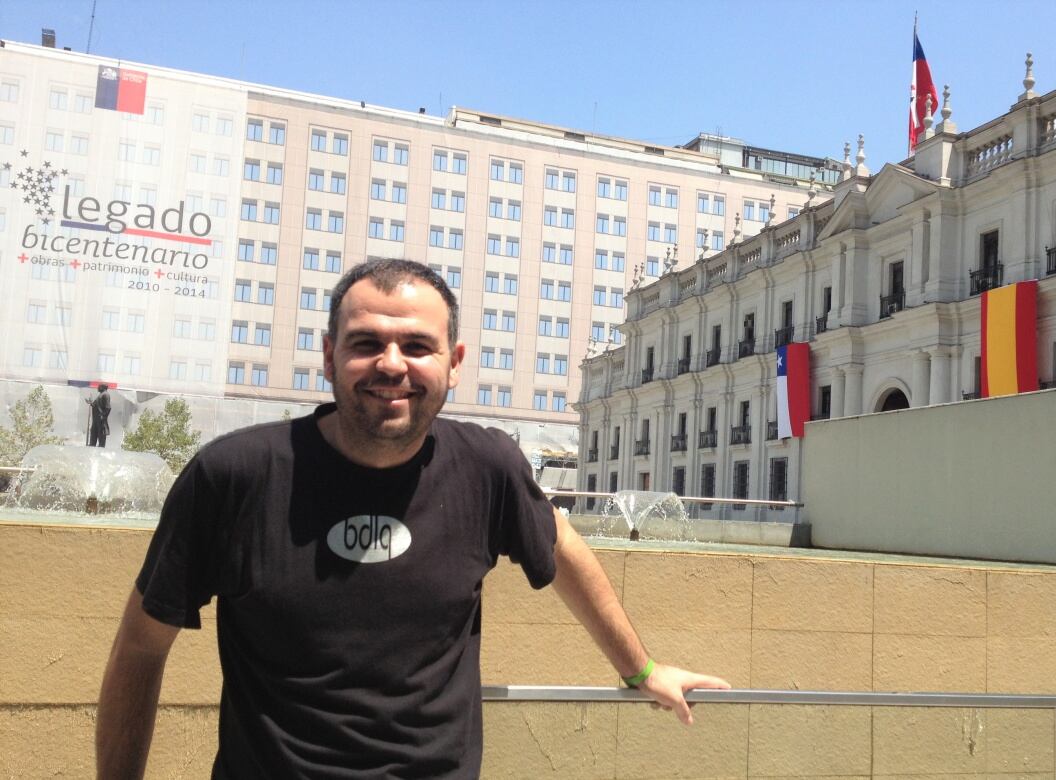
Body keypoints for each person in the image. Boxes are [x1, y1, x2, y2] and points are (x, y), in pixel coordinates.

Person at [96, 259, 729, 778]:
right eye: (366, 343)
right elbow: (139, 650)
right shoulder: (234, 475)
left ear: (454, 362)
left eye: (417, 346)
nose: (392, 364)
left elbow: (562, 547)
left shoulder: (488, 467)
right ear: (328, 356)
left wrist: (641, 669)